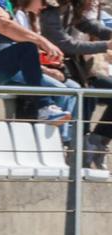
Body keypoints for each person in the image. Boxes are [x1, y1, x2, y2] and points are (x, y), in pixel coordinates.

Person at [35, 0, 112, 166]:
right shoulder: (49, 7)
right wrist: (106, 45)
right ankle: (79, 145)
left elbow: (85, 24)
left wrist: (109, 34)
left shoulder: (69, 5)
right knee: (83, 92)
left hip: (74, 68)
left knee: (90, 91)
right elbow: (63, 43)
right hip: (56, 66)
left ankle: (96, 142)